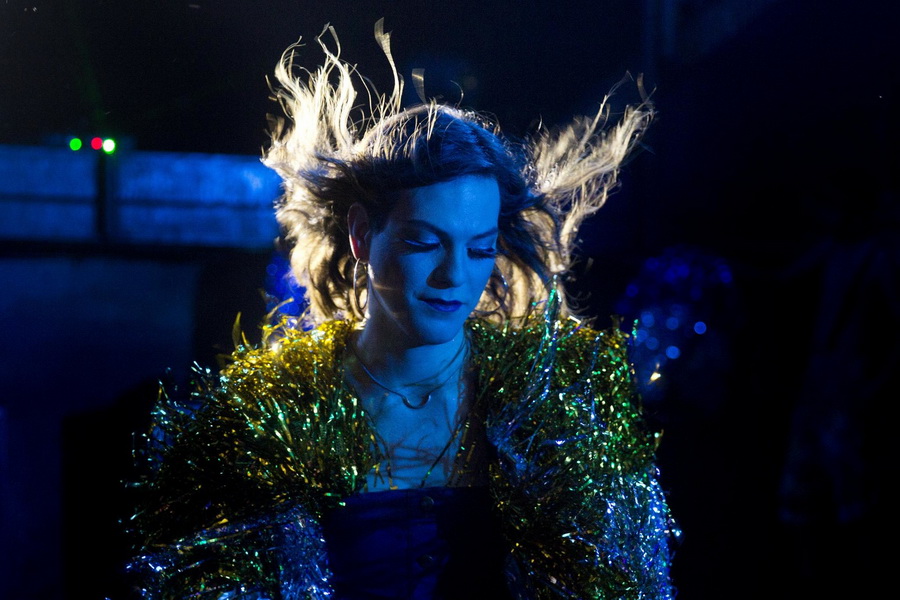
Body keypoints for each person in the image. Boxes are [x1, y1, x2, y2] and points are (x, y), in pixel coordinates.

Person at [127, 21, 678, 600]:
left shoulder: (553, 405)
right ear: (363, 235)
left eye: (479, 248)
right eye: (424, 242)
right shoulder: (269, 416)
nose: (454, 276)